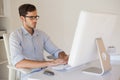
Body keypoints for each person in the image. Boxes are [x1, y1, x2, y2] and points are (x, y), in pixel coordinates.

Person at [9, 3, 68, 80]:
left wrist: (63, 57)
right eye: (31, 18)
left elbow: (56, 51)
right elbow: (19, 63)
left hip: (45, 72)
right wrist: (50, 63)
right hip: (29, 75)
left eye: (36, 17)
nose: (35, 20)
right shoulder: (15, 36)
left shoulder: (41, 34)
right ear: (22, 18)